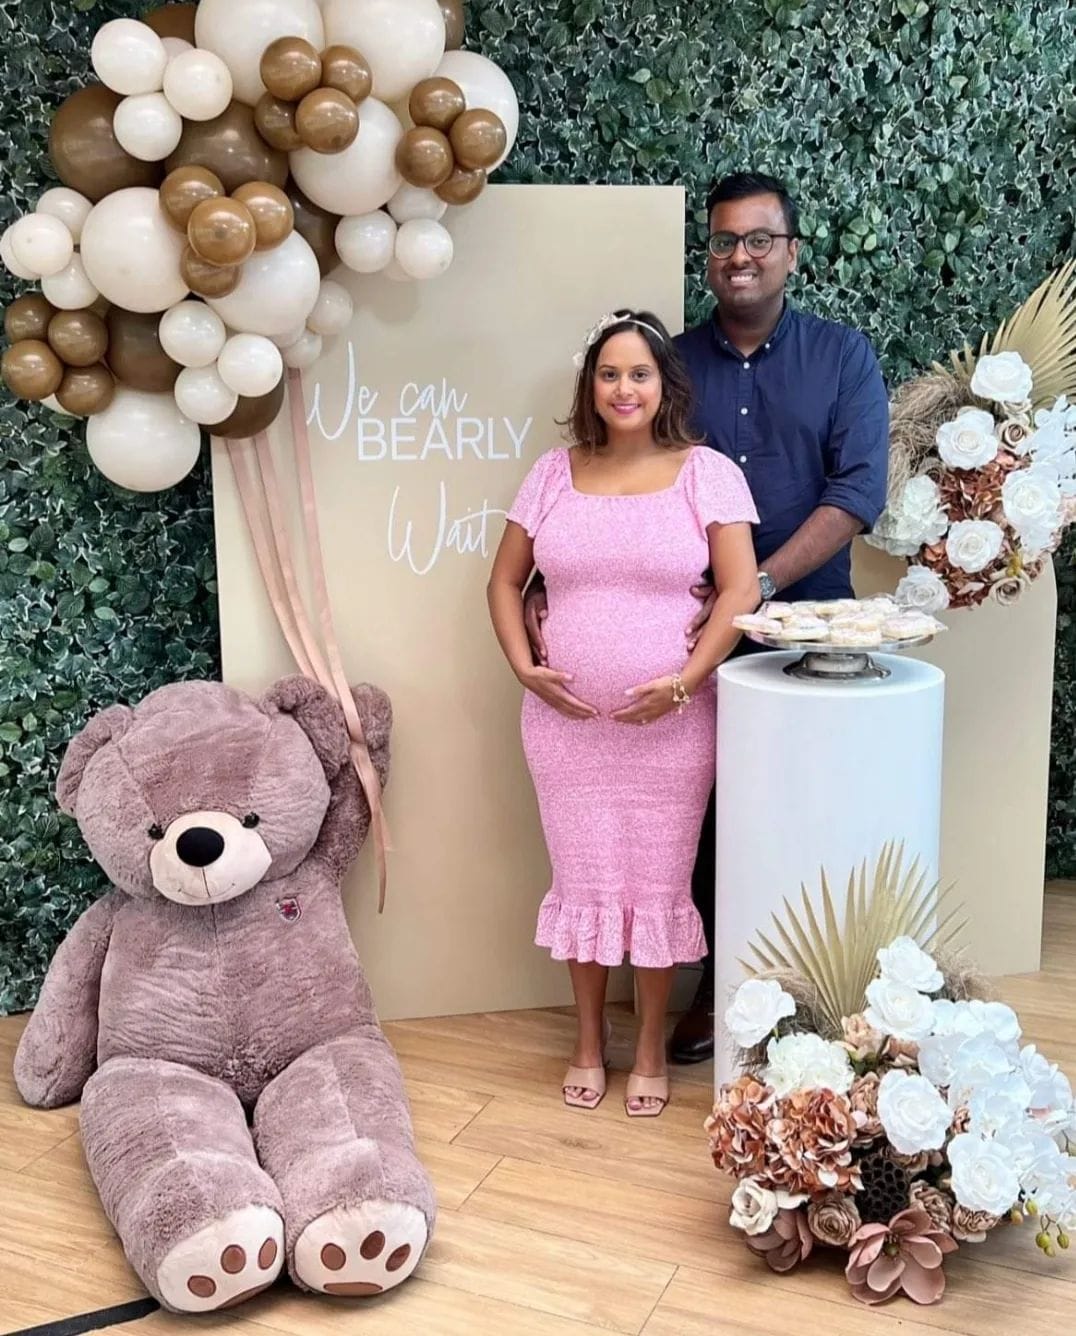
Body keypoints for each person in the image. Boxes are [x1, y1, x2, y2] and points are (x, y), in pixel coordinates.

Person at [525, 174, 890, 1064]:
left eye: (760, 240)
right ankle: (714, 994)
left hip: (805, 630)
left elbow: (856, 494)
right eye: (724, 241)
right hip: (689, 632)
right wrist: (551, 586)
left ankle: (818, 999)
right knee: (695, 831)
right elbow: (620, 478)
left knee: (796, 810)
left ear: (791, 252)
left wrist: (750, 585)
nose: (741, 257)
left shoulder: (841, 356)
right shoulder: (672, 359)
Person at [487, 310, 759, 1117]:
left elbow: (740, 589)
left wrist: (684, 681)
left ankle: (648, 1048)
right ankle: (586, 1039)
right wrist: (526, 668)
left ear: (665, 384)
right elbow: (503, 581)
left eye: (639, 373)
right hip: (566, 730)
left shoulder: (707, 473)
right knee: (584, 880)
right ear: (591, 385)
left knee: (657, 886)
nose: (623, 388)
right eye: (609, 374)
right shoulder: (552, 473)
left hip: (675, 729)